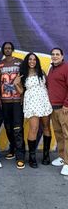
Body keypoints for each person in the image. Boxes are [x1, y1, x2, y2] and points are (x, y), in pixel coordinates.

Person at [14, 53, 52, 168]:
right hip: (32, 102)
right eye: (30, 59)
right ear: (27, 61)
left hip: (43, 100)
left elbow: (47, 86)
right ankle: (32, 156)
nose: (32, 61)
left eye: (34, 59)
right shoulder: (23, 73)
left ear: (37, 61)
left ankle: (46, 155)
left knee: (46, 127)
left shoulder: (41, 72)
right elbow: (21, 91)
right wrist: (16, 84)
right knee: (34, 128)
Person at [0, 42, 25, 169]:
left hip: (17, 100)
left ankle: (20, 156)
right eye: (5, 48)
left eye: (9, 48)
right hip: (5, 100)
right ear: (3, 50)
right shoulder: (0, 64)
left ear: (12, 49)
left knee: (17, 128)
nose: (7, 50)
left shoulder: (20, 62)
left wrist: (23, 95)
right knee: (8, 127)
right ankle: (12, 149)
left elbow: (24, 79)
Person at [47, 48, 68, 176]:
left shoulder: (66, 68)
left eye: (57, 54)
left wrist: (66, 104)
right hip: (53, 107)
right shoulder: (52, 69)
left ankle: (67, 163)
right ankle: (62, 156)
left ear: (62, 56)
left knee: (67, 135)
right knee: (59, 134)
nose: (55, 56)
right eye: (53, 54)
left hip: (64, 108)